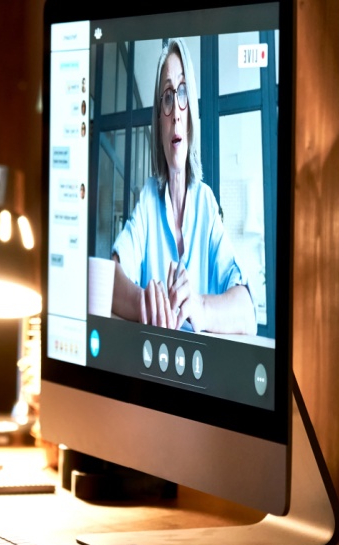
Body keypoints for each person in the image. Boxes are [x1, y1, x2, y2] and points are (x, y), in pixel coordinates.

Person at [110, 38, 255, 334]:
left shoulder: (206, 203)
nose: (175, 110)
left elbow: (247, 313)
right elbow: (110, 278)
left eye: (183, 93)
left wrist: (199, 306)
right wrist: (146, 303)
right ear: (159, 123)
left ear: (190, 118)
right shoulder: (149, 198)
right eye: (166, 96)